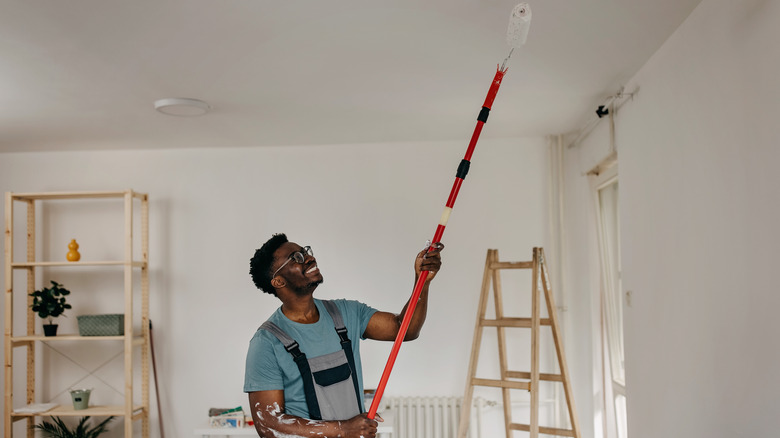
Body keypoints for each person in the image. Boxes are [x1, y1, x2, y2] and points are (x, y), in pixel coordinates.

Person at [244, 233, 444, 438]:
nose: (310, 258)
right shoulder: (267, 342)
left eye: (306, 252)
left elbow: (406, 329)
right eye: (296, 258)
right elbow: (268, 424)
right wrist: (343, 429)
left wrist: (422, 282)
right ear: (277, 281)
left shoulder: (346, 314)